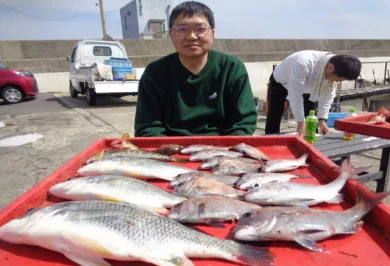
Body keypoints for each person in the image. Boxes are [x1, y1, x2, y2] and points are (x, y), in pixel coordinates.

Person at [134, 1, 257, 137]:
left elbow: (244, 121)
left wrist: (226, 150)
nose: (192, 36)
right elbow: (148, 126)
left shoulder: (232, 68)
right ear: (171, 34)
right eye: (182, 29)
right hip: (171, 147)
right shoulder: (155, 72)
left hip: (222, 148)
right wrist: (170, 153)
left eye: (200, 29)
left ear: (212, 33)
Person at [265, 50, 361, 136]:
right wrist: (300, 122)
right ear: (330, 68)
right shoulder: (304, 63)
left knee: (311, 118)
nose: (336, 81)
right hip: (281, 81)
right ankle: (268, 143)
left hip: (310, 87)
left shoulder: (336, 67)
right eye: (337, 79)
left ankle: (310, 144)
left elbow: (328, 95)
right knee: (275, 114)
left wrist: (322, 120)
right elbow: (295, 94)